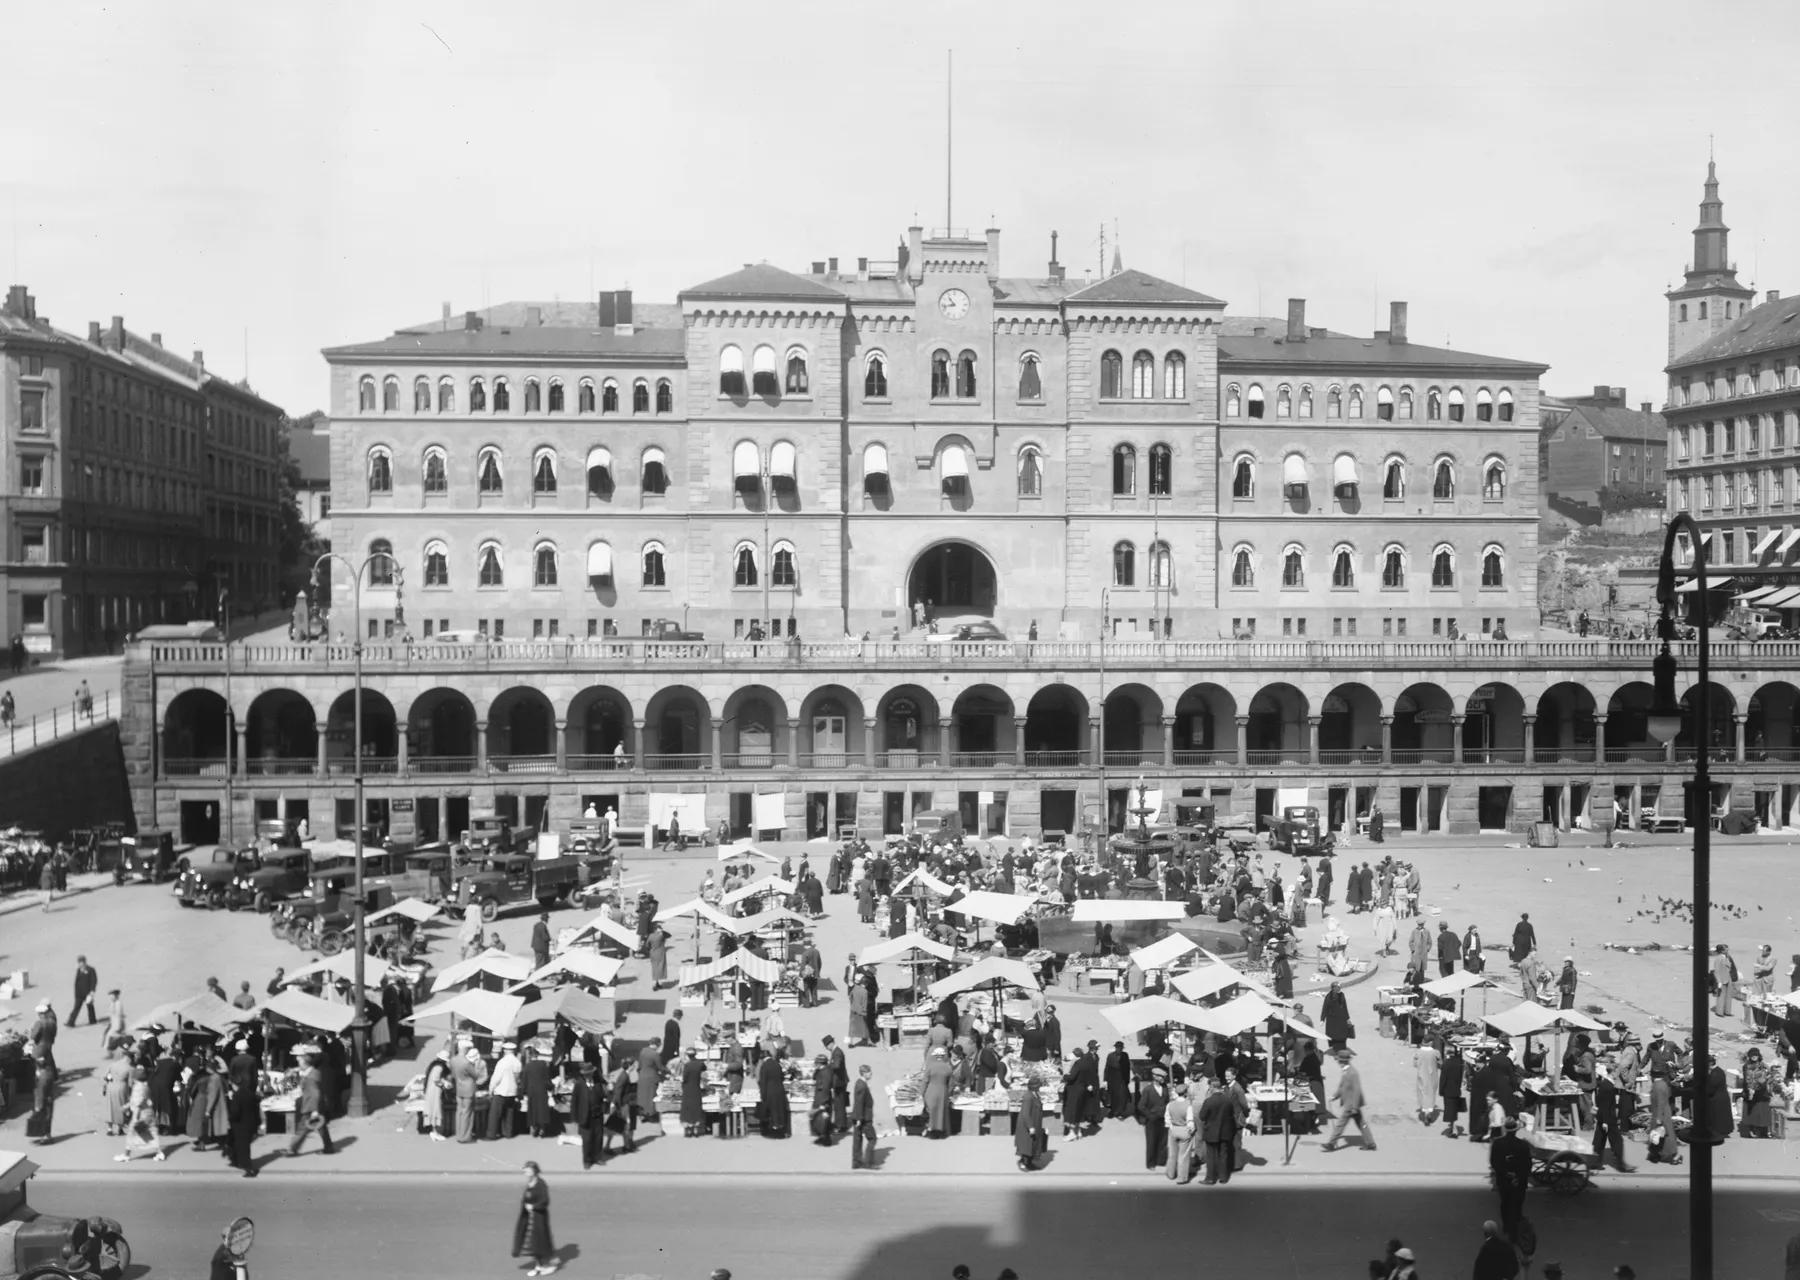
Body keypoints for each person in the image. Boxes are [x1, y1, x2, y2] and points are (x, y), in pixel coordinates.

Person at [1322, 1048, 1376, 1151]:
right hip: (1351, 1103)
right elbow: (1342, 1086)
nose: (1338, 1063)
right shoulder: (1346, 1071)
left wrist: (1354, 1107)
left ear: (1342, 1061)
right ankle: (1370, 1143)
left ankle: (1331, 1144)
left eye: (1339, 1061)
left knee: (1340, 1124)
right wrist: (1335, 1096)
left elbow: (1357, 1090)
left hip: (1351, 1104)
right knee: (1361, 1124)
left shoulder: (1352, 1073)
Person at [1197, 1067, 1243, 1184]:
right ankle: (1223, 1177)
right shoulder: (1227, 1100)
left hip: (1211, 1132)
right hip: (1225, 1132)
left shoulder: (1208, 1101)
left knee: (1211, 1156)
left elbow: (1202, 1116)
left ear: (1212, 1087)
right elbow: (1231, 1114)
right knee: (1223, 1154)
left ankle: (1210, 1178)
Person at [511, 1162, 558, 1277]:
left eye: (528, 1170)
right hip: (529, 1218)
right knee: (535, 1241)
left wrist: (534, 1207)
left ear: (534, 1171)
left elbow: (545, 1201)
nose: (526, 1172)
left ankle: (543, 1265)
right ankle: (543, 1263)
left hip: (538, 1218)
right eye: (525, 1170)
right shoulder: (530, 1183)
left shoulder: (540, 1184)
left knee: (538, 1241)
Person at [286, 1050, 335, 1157]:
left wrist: (314, 1110)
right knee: (322, 1127)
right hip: (316, 1104)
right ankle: (328, 1146)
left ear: (305, 1063)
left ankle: (292, 1148)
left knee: (302, 1128)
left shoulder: (311, 1076)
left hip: (311, 1106)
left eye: (300, 1062)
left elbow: (315, 1093)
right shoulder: (312, 1073)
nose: (298, 1064)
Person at [1489, 1115, 1532, 1239]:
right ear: (1516, 1130)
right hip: (1519, 1181)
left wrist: (1506, 1173)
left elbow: (1494, 1163)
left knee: (1505, 1204)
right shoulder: (1523, 1145)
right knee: (1517, 1205)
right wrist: (1518, 1176)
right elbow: (1528, 1164)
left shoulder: (1497, 1143)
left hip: (1504, 1180)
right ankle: (1515, 1229)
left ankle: (1507, 1227)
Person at [1593, 1064, 1631, 1170]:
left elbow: (1600, 1102)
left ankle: (1594, 1162)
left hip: (1602, 1116)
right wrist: (1606, 1121)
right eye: (1617, 1072)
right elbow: (1606, 1105)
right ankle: (1621, 1165)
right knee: (1617, 1141)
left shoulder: (1605, 1084)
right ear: (1613, 1072)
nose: (1618, 1074)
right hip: (1608, 1119)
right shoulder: (1608, 1086)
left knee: (1599, 1142)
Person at [452, 1045, 488, 1143]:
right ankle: (465, 1137)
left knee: (459, 1112)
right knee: (467, 1113)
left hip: (459, 1089)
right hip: (468, 1090)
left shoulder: (456, 1060)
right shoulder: (468, 1064)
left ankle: (459, 1135)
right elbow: (476, 1075)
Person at [487, 1041, 523, 1139]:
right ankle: (508, 1132)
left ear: (506, 1050)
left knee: (495, 1114)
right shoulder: (517, 1062)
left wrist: (491, 1089)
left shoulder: (502, 1062)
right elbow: (517, 1077)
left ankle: (492, 1134)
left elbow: (496, 1078)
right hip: (512, 1090)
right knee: (509, 1113)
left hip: (501, 1090)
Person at [1137, 1065, 1170, 1170]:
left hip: (1163, 1119)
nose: (1163, 1079)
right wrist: (1149, 1115)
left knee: (1163, 1140)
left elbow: (1166, 1101)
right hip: (1152, 1120)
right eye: (1161, 1077)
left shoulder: (1164, 1088)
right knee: (1151, 1142)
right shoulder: (1148, 1089)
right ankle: (1151, 1163)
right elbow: (1141, 1106)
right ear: (1155, 1076)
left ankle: (1160, 1160)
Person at [756, 1048, 791, 1138]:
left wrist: (762, 1095)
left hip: (769, 1091)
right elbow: (781, 1077)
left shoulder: (764, 1066)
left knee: (773, 1112)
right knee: (780, 1110)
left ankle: (774, 1132)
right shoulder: (777, 1064)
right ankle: (782, 1131)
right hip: (779, 1089)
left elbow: (763, 1082)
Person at [923, 1046, 954, 1138]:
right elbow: (951, 1083)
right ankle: (941, 1131)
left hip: (931, 1090)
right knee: (941, 1111)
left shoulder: (930, 1066)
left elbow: (925, 1081)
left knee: (932, 1111)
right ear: (943, 1056)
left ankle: (931, 1131)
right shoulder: (948, 1067)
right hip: (943, 1091)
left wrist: (921, 1093)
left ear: (935, 1056)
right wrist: (949, 1092)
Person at [851, 1063, 878, 1169]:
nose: (871, 1074)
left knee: (857, 1140)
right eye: (869, 1072)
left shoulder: (860, 1083)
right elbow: (859, 1102)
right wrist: (858, 1119)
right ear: (864, 1073)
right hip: (864, 1118)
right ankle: (867, 1162)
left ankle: (856, 1162)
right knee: (872, 1139)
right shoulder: (862, 1086)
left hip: (860, 1117)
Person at [1103, 1041, 1133, 1119]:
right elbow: (1107, 1068)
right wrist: (1105, 1080)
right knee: (1113, 1096)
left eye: (1121, 1048)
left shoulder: (1125, 1055)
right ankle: (1112, 1111)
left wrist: (1127, 1080)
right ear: (1115, 1048)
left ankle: (1120, 1112)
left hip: (1122, 1079)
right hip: (1112, 1079)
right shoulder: (1110, 1056)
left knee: (1122, 1096)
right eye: (1118, 1047)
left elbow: (1127, 1068)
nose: (1119, 1049)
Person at [1712, 943, 1738, 1018]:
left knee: (1728, 996)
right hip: (1722, 979)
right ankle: (1719, 1012)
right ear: (1722, 951)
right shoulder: (1718, 958)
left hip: (1728, 978)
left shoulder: (1726, 957)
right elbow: (1716, 971)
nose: (1728, 951)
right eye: (1726, 950)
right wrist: (1718, 981)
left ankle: (1727, 1011)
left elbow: (1730, 967)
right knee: (1721, 996)